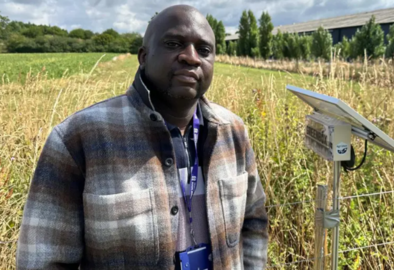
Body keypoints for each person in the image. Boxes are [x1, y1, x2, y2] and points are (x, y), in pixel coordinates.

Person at [16, 5, 268, 270]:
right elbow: (42, 261)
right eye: (174, 43)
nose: (191, 57)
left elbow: (254, 223)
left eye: (204, 50)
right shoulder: (78, 139)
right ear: (143, 57)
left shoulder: (234, 131)